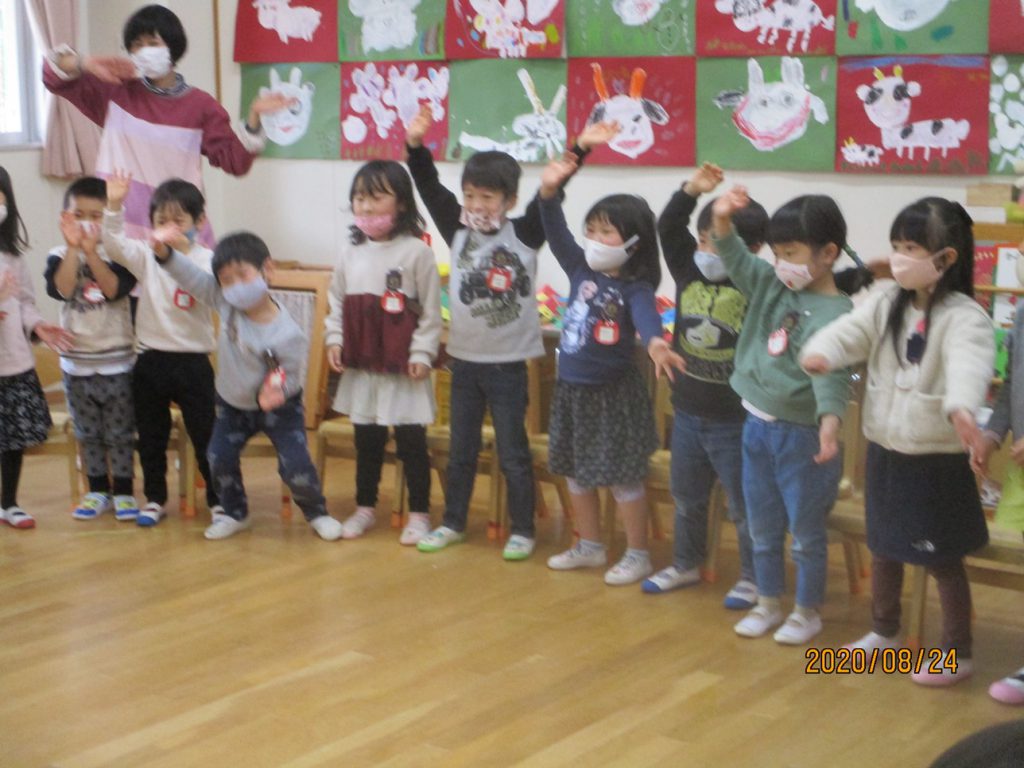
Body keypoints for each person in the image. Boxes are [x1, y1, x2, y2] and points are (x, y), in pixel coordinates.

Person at [803, 197, 993, 685]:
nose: (899, 257)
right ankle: (884, 633)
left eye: (912, 248)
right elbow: (849, 331)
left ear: (945, 258)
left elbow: (970, 364)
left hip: (935, 460)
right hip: (886, 450)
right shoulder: (888, 302)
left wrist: (961, 408)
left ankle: (957, 653)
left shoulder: (965, 316)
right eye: (896, 246)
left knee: (942, 560)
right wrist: (822, 352)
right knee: (884, 547)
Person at [407, 105, 604, 561]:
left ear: (509, 201)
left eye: (488, 197)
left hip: (509, 365)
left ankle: (522, 530)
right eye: (470, 196)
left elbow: (552, 188)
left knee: (513, 452)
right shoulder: (457, 228)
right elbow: (427, 183)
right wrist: (415, 145)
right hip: (464, 362)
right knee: (461, 450)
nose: (477, 206)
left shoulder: (526, 232)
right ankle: (453, 522)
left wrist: (580, 149)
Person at [537, 149, 686, 585]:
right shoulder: (580, 268)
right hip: (572, 391)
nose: (595, 239)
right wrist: (549, 191)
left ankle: (638, 554)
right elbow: (554, 229)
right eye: (592, 229)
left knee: (623, 478)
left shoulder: (636, 288)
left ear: (633, 243)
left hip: (611, 397)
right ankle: (590, 545)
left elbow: (647, 320)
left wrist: (656, 344)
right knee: (577, 474)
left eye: (606, 231)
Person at [712, 187, 853, 645]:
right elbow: (735, 256)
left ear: (828, 253)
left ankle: (806, 612)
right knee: (762, 526)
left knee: (806, 534)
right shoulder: (772, 283)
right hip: (756, 426)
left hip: (803, 438)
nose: (781, 263)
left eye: (791, 253)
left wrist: (829, 426)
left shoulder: (838, 312)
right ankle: (768, 603)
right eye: (777, 253)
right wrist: (721, 219)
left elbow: (831, 378)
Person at [42, 4, 290, 243]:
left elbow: (235, 162)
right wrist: (83, 63)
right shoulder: (115, 91)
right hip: (119, 229)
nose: (144, 50)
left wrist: (255, 116)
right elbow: (53, 76)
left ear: (173, 46)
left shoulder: (201, 106)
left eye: (153, 43)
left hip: (176, 229)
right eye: (137, 44)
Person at [155, 229, 343, 541]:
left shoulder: (288, 333)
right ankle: (235, 513)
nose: (235, 286)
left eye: (243, 275)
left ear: (267, 269)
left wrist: (276, 391)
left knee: (296, 463)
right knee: (218, 457)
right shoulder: (224, 302)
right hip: (232, 405)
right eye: (226, 280)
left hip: (280, 408)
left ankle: (317, 512)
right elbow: (193, 278)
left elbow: (290, 374)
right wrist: (165, 253)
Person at [643, 162, 768, 610]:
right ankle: (686, 563)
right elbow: (667, 225)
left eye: (717, 241)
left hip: (736, 419)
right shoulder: (689, 271)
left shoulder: (756, 281)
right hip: (689, 411)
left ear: (751, 249)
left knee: (743, 505)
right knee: (687, 498)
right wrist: (691, 190)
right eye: (702, 240)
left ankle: (753, 578)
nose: (706, 250)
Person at [324, 160, 442, 545]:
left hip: (403, 366)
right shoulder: (349, 252)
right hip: (363, 365)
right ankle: (365, 507)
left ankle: (420, 513)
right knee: (367, 440)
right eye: (360, 198)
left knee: (411, 442)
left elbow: (430, 312)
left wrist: (422, 353)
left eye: (377, 197)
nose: (367, 206)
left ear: (401, 203)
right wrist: (334, 339)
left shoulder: (417, 253)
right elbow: (336, 302)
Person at [102, 171, 219, 526]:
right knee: (151, 437)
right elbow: (114, 245)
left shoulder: (207, 260)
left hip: (193, 362)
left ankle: (219, 500)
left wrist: (176, 255)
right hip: (151, 359)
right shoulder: (145, 255)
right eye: (161, 221)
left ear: (199, 221)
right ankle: (155, 498)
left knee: (205, 434)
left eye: (178, 221)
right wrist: (114, 206)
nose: (169, 228)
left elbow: (207, 293)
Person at [44, 177, 138, 521]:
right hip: (76, 365)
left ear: (108, 218)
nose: (87, 222)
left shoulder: (120, 254)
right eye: (79, 215)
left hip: (117, 362)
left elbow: (113, 290)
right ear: (65, 217)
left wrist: (92, 253)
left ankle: (124, 491)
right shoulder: (57, 255)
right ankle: (97, 489)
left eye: (96, 216)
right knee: (88, 433)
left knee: (119, 433)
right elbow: (63, 289)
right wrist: (74, 249)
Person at [0, 166, 74, 529]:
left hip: (12, 363)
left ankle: (9, 503)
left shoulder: (11, 256)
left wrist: (37, 325)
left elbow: (25, 302)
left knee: (13, 439)